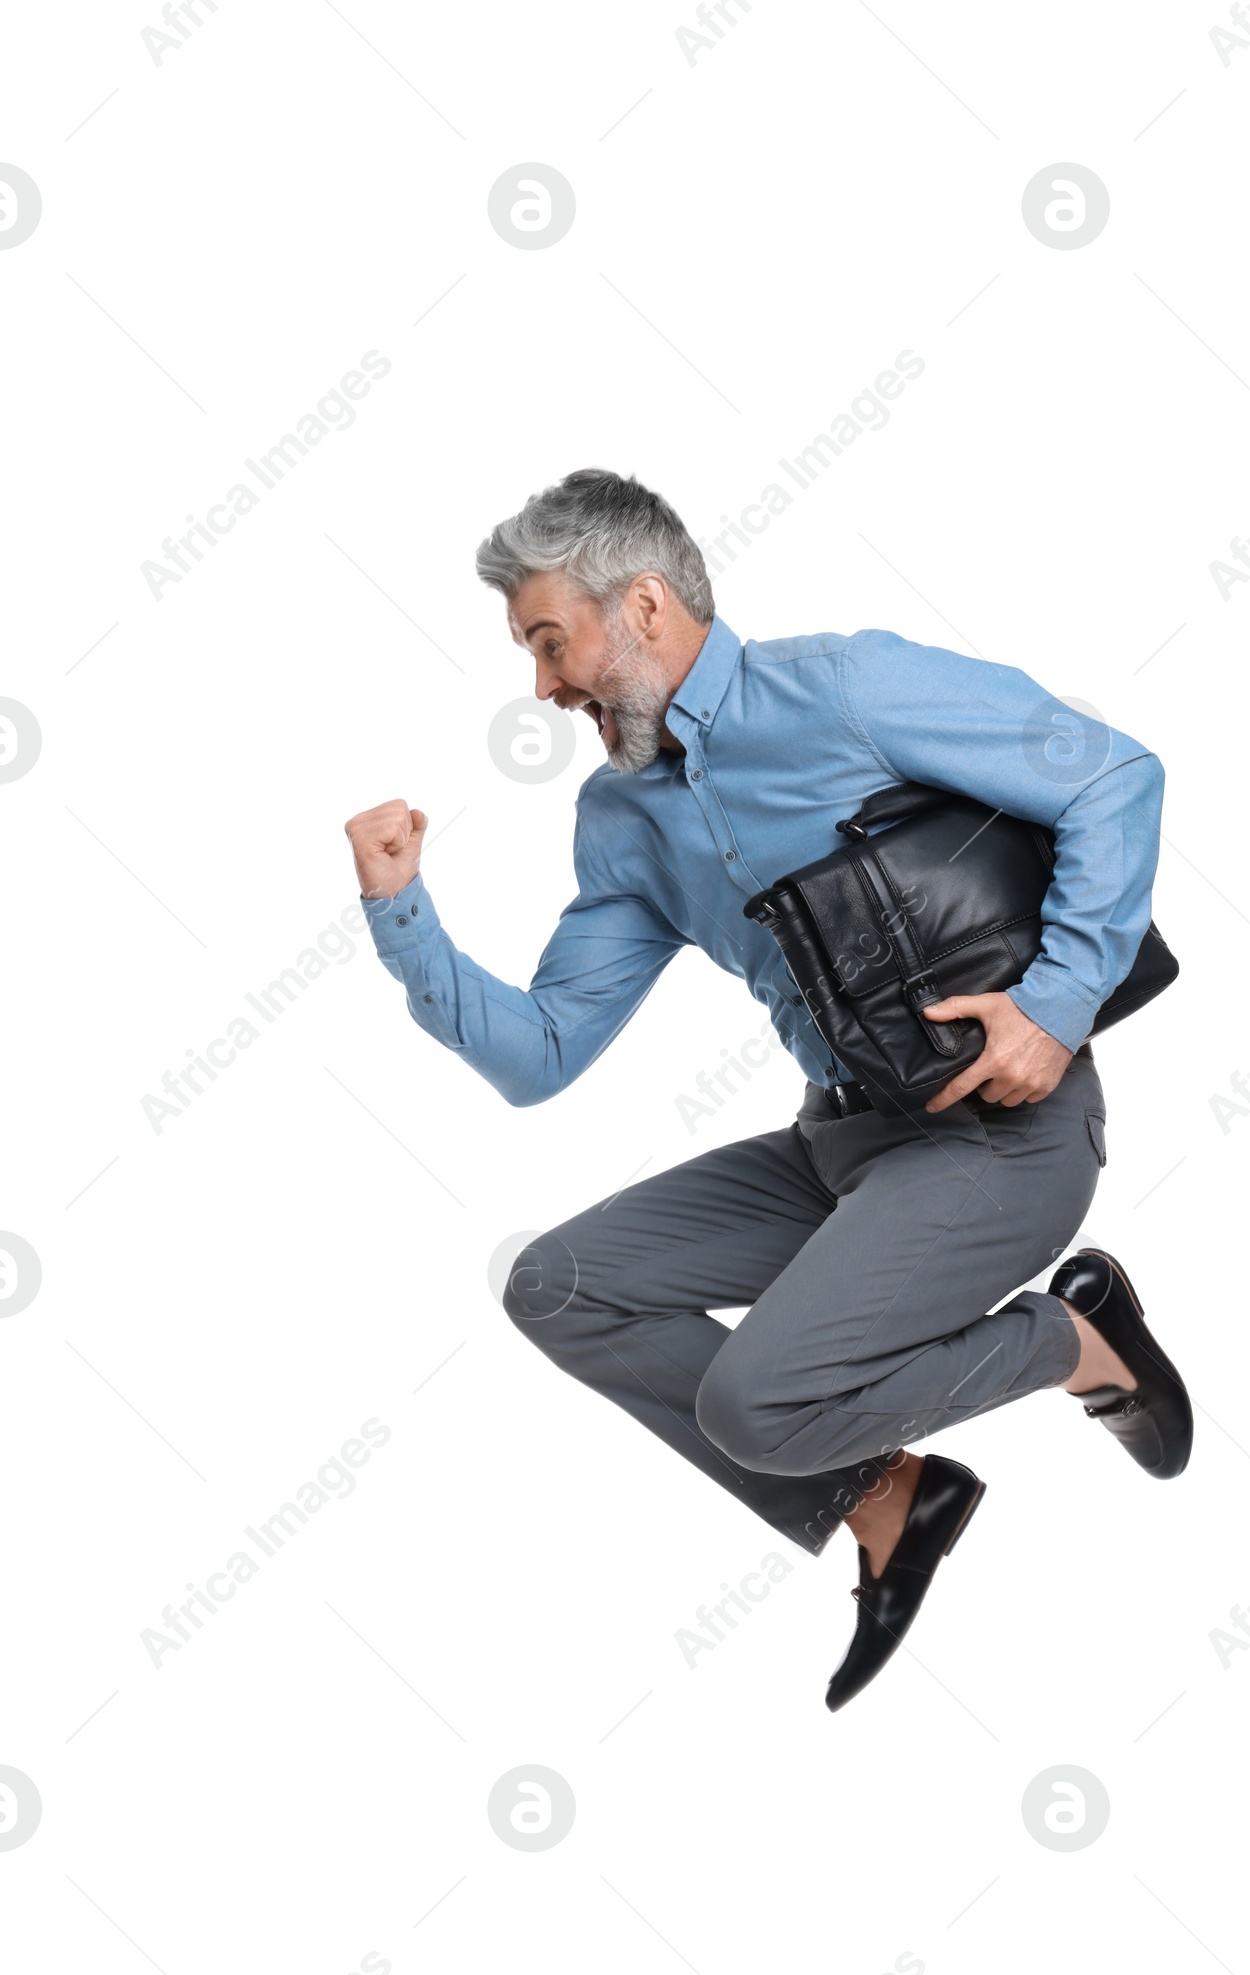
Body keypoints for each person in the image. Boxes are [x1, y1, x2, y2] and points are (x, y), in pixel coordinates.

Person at [343, 469, 1192, 1711]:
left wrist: (1056, 1005)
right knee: (558, 1284)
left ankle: (1073, 1342)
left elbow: (1112, 776)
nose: (542, 687)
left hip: (999, 1138)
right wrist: (398, 914)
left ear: (640, 604)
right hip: (839, 1147)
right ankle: (890, 1495)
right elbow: (541, 1053)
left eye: (548, 642)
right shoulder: (620, 818)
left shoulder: (844, 687)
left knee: (756, 1406)